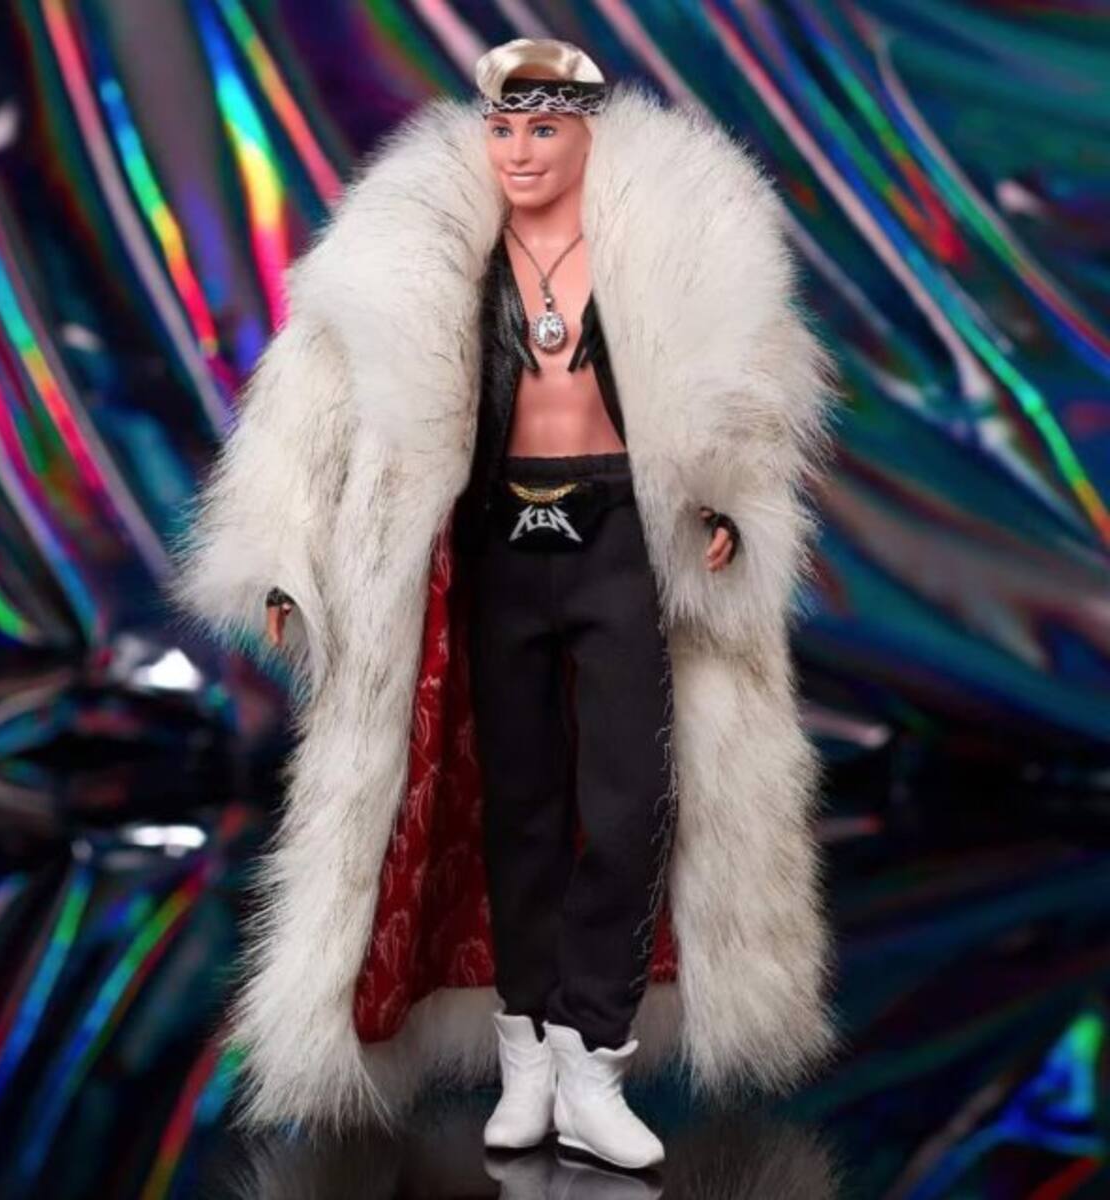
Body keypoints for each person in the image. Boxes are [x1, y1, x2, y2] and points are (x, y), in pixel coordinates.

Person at [166, 36, 842, 1158]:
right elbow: (306, 396)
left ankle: (595, 1057)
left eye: (542, 128)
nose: (518, 151)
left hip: (621, 539)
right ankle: (529, 1057)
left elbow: (755, 389)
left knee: (630, 806)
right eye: (503, 128)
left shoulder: (680, 240)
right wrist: (277, 550)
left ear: (585, 130)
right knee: (516, 812)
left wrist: (730, 499)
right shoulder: (416, 245)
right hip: (492, 551)